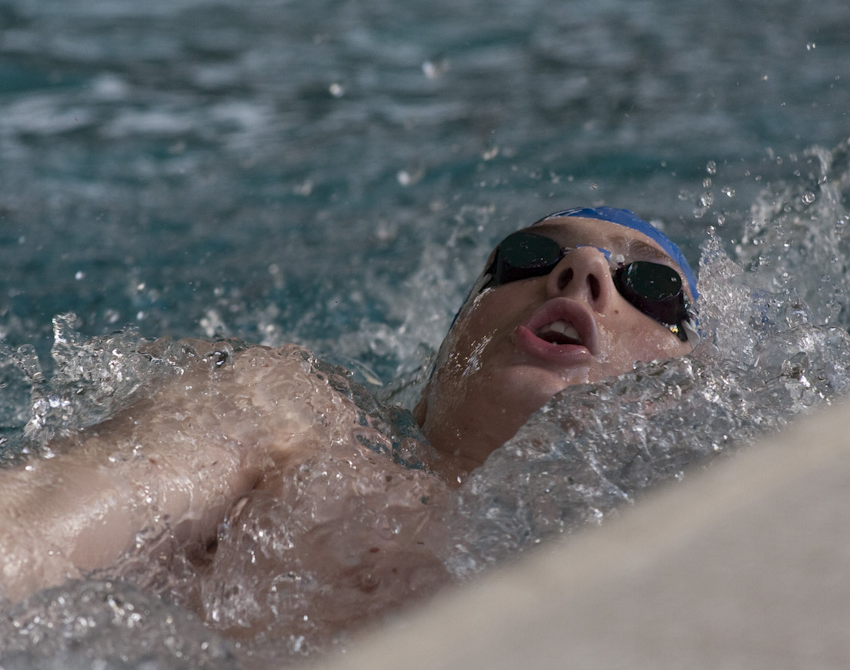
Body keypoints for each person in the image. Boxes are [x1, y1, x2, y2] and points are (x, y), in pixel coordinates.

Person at [0, 207, 699, 640]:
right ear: (447, 347)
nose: (581, 269)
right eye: (529, 255)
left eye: (652, 287)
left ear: (685, 388)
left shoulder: (685, 542)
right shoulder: (283, 418)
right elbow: (37, 526)